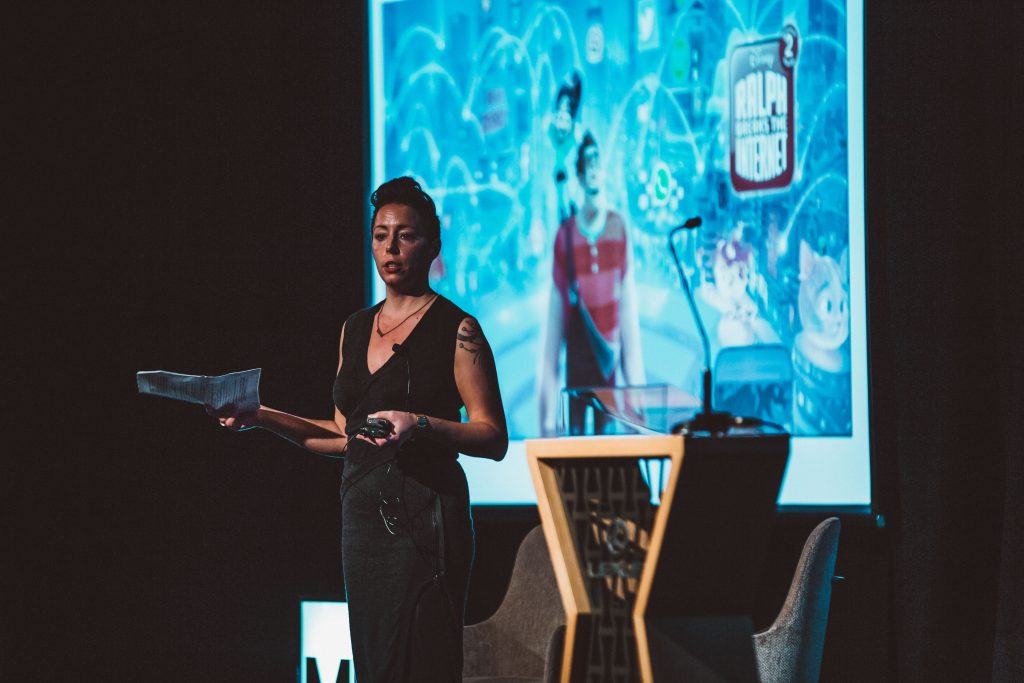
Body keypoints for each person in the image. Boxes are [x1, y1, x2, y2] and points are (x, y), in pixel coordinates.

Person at [208, 176, 508, 682]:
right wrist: (260, 416)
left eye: (406, 235)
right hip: (364, 526)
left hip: (427, 522)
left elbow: (493, 436)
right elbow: (342, 434)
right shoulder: (354, 328)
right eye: (380, 235)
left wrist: (419, 424)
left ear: (433, 245)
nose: (391, 248)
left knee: (423, 665)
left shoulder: (459, 329)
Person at [537, 132, 645, 435]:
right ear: (581, 175)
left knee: (606, 438)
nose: (595, 170)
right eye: (589, 164)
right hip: (577, 365)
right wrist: (545, 420)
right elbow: (554, 326)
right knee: (575, 435)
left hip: (608, 363)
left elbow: (628, 316)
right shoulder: (566, 234)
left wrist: (638, 404)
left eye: (599, 162)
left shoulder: (618, 227)